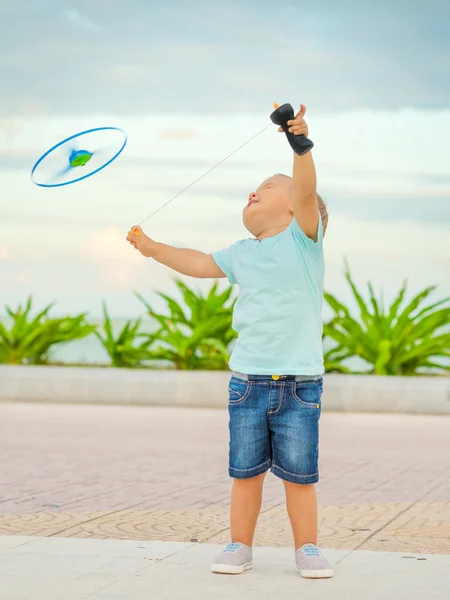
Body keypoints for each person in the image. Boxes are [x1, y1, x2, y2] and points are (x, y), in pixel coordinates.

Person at [126, 105, 333, 579]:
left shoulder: (304, 239)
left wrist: (299, 145)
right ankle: (240, 544)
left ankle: (308, 548)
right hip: (247, 383)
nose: (254, 191)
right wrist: (153, 248)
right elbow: (198, 262)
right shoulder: (242, 253)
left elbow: (305, 188)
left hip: (300, 384)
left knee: (300, 477)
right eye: (252, 190)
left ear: (296, 205)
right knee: (245, 473)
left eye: (267, 187)